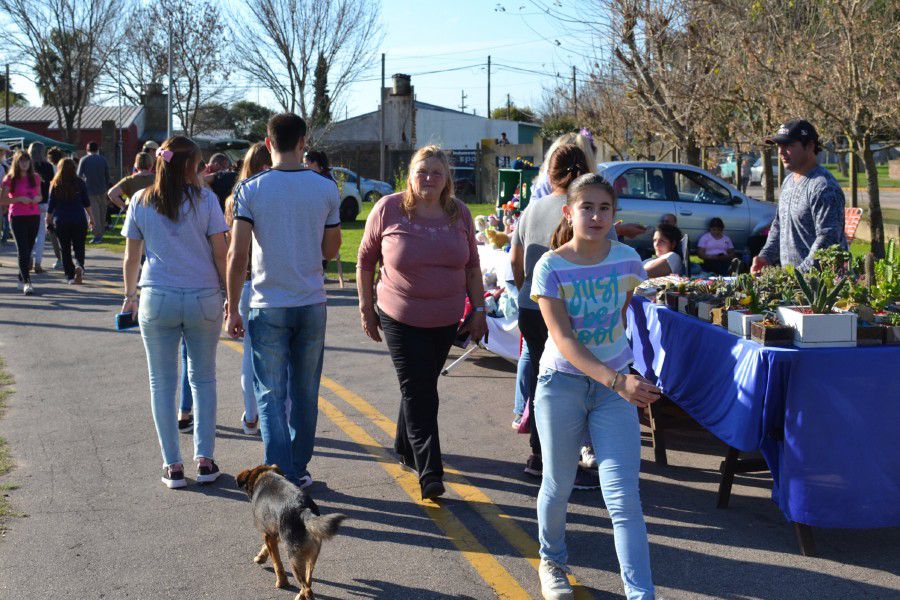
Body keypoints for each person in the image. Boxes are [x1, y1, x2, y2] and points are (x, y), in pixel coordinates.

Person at [531, 173, 659, 600]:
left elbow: (618, 319)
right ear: (569, 212)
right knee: (558, 482)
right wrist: (619, 380)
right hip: (562, 384)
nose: (597, 215)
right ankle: (552, 564)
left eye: (605, 208)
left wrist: (618, 379)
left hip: (612, 391)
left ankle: (640, 594)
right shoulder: (550, 266)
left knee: (623, 497)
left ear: (615, 215)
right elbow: (565, 340)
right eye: (587, 207)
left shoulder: (627, 260)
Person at [356, 145, 486, 500]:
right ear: (410, 176)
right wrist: (366, 308)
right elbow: (365, 261)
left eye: (436, 173)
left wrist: (479, 310)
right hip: (400, 314)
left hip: (445, 318)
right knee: (419, 390)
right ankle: (430, 470)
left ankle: (404, 446)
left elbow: (472, 266)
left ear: (447, 180)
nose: (428, 178)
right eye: (421, 172)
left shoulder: (458, 212)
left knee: (421, 384)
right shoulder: (389, 208)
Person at [226, 113, 341, 489]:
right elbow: (331, 247)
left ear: (268, 141)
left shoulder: (250, 189)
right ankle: (299, 465)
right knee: (305, 389)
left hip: (267, 299)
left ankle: (280, 469)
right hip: (310, 300)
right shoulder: (326, 188)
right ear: (303, 142)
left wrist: (231, 305)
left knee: (270, 392)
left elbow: (237, 254)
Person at [121, 136, 229, 489]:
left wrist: (129, 297)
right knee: (203, 379)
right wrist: (228, 293)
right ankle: (205, 459)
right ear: (191, 166)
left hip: (157, 296)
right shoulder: (207, 201)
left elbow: (131, 258)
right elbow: (220, 254)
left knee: (161, 383)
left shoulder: (140, 200)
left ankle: (173, 465)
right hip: (203, 296)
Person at [510, 144, 602, 489]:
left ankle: (539, 454)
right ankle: (560, 459)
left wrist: (526, 290)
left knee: (540, 379)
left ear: (550, 173)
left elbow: (515, 258)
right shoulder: (590, 211)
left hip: (531, 306)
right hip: (570, 309)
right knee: (570, 385)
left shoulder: (533, 208)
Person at [752, 119, 847, 275]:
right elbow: (778, 225)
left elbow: (828, 240)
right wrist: (766, 257)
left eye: (789, 145)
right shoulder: (788, 181)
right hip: (794, 285)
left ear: (809, 146)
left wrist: (797, 277)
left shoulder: (824, 187)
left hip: (822, 289)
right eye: (779, 146)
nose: (781, 152)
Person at [223, 142, 272, 435]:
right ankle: (270, 417)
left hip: (243, 280)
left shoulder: (234, 198)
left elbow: (232, 248)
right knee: (279, 358)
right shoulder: (272, 195)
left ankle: (251, 415)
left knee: (249, 356)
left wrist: (228, 299)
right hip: (268, 278)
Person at [1, 150, 43, 295]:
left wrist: (37, 199)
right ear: (16, 162)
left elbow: (39, 195)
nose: (24, 163)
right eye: (21, 160)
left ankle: (21, 277)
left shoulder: (36, 177)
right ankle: (27, 282)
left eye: (27, 160)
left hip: (34, 215)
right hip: (17, 216)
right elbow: (3, 200)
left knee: (29, 250)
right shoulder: (10, 178)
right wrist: (19, 199)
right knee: (22, 250)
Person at [47, 158, 92, 284]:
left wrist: (48, 219)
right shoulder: (80, 183)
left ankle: (70, 276)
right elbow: (86, 202)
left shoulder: (55, 184)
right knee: (79, 246)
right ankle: (80, 266)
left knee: (65, 249)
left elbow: (51, 204)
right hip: (78, 218)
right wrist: (91, 218)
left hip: (61, 220)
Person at [28, 143, 56, 273]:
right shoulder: (49, 167)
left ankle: (28, 259)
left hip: (29, 203)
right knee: (40, 235)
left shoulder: (27, 166)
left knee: (28, 234)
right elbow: (53, 186)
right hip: (44, 202)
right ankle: (38, 263)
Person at [77, 141, 111, 244]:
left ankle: (97, 236)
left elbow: (78, 175)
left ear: (87, 150)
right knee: (102, 213)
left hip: (89, 190)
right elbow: (107, 176)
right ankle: (101, 233)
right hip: (102, 190)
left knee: (94, 214)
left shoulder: (84, 159)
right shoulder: (103, 160)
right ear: (97, 149)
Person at [0, 142, 11, 244]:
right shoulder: (4, 166)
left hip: (3, 194)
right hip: (2, 194)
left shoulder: (4, 166)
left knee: (4, 216)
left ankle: (5, 236)